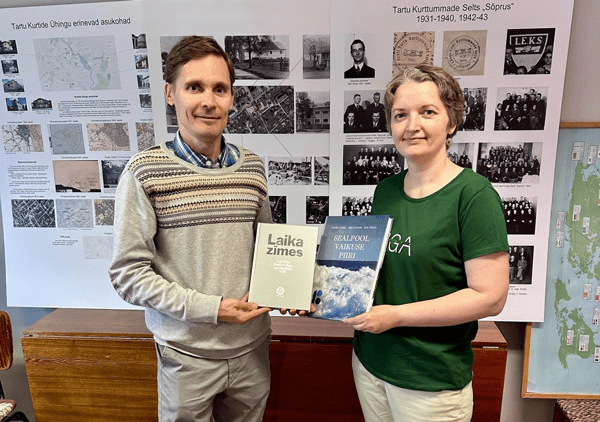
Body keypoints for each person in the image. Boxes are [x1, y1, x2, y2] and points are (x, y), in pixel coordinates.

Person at [109, 36, 304, 422]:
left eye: (220, 89)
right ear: (170, 93)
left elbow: (269, 252)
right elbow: (127, 276)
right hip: (186, 357)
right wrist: (212, 309)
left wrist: (292, 286)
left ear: (232, 97)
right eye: (194, 87)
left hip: (252, 351)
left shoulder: (252, 168)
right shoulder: (143, 173)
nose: (209, 101)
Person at [345, 64, 509, 422]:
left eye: (427, 112)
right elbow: (376, 273)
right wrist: (325, 290)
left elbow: (490, 297)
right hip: (370, 363)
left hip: (430, 379)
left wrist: (397, 316)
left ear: (451, 122)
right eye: (400, 115)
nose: (412, 125)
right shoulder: (385, 191)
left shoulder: (474, 196)